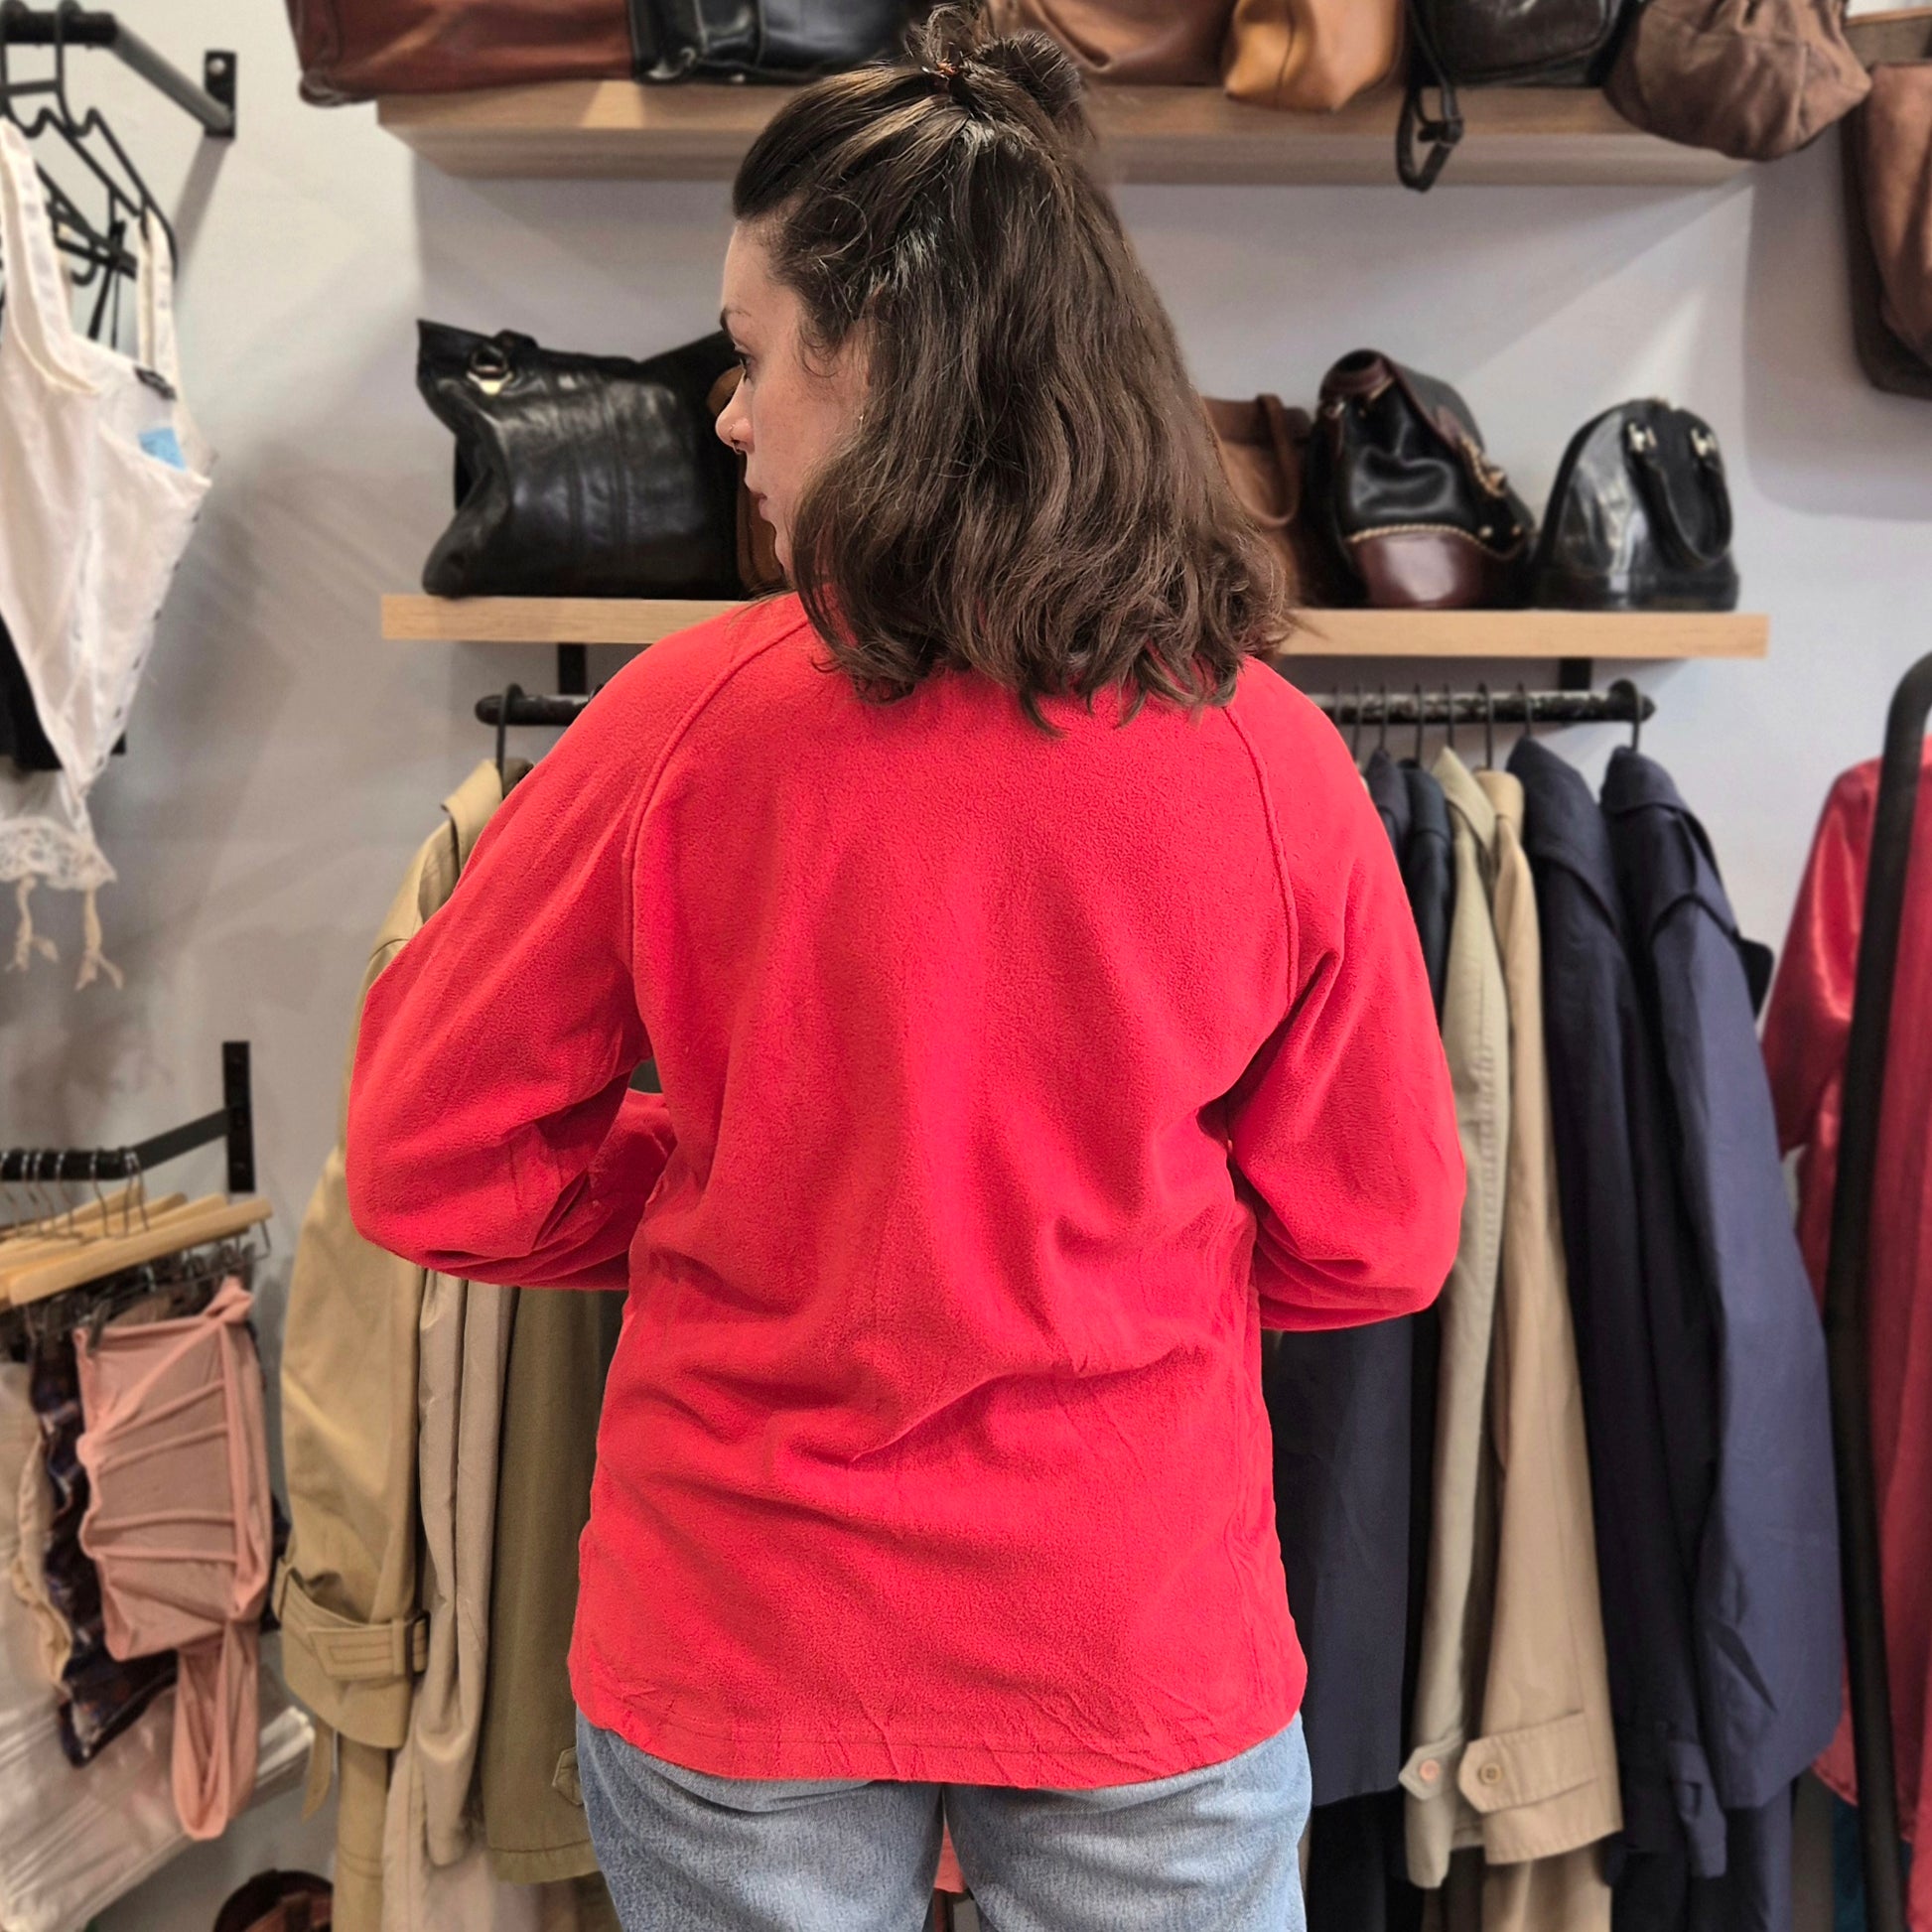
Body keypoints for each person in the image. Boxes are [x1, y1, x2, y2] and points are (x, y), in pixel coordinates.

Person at [345, 8, 1462, 1928]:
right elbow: (1380, 1236)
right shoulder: (1268, 758)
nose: (727, 411)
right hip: (1126, 1621)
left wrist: (720, 1186)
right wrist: (1109, 1241)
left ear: (869, 359)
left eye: (749, 349)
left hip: (747, 1626)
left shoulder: (678, 721)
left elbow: (428, 1155)